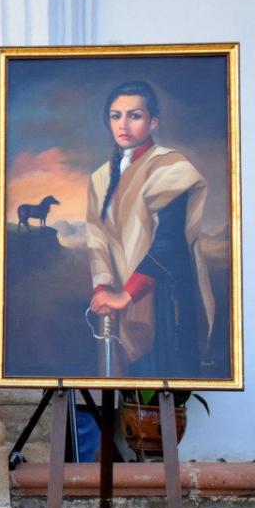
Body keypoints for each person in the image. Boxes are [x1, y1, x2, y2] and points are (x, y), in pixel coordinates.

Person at [86, 81, 215, 379]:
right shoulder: (100, 177)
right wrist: (103, 287)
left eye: (135, 115)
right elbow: (96, 239)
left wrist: (125, 296)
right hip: (117, 298)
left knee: (158, 393)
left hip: (161, 297)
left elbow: (169, 242)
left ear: (153, 121)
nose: (123, 124)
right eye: (116, 116)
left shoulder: (172, 167)